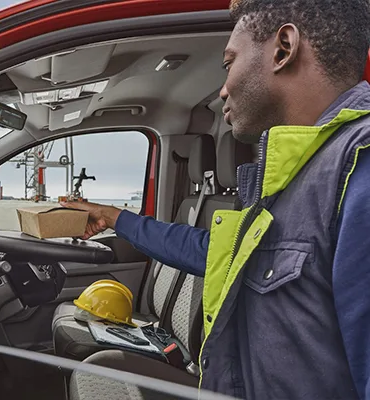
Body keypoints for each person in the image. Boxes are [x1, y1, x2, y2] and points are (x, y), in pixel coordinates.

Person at [62, 0, 370, 398]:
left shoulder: (358, 169)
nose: (223, 88)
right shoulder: (291, 179)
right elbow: (209, 252)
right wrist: (115, 217)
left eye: (229, 63)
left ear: (283, 48)